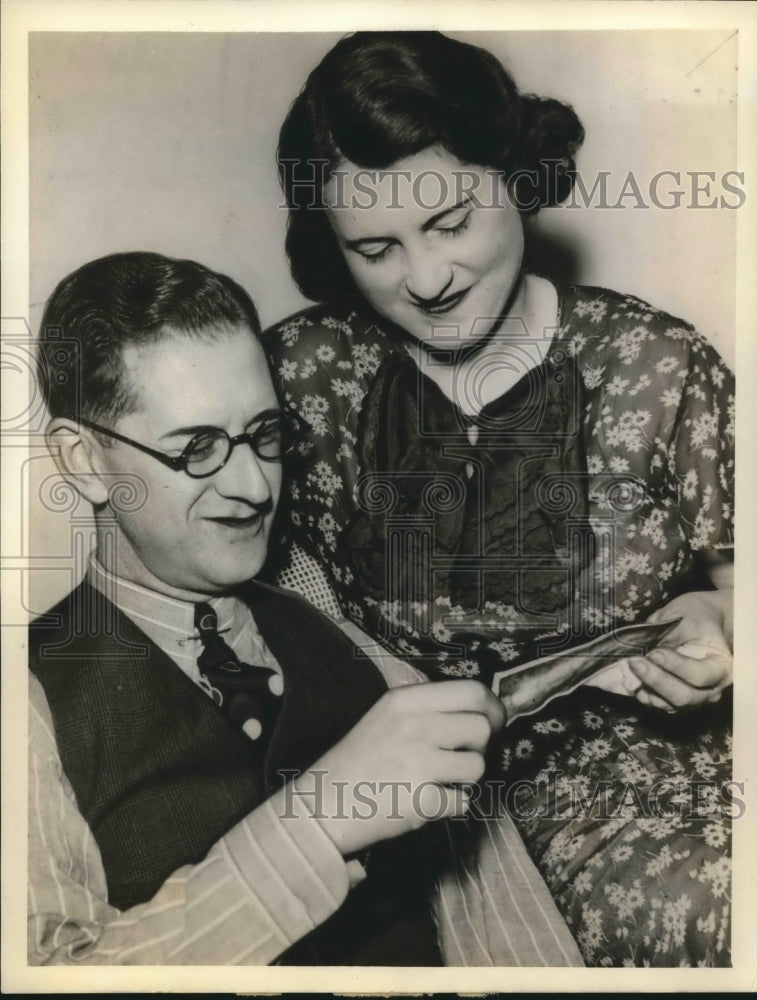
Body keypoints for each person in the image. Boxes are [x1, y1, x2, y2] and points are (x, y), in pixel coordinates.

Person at [263, 31, 735, 966]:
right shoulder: (306, 374)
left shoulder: (656, 363)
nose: (426, 280)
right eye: (375, 248)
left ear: (517, 177)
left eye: (449, 222)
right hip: (399, 787)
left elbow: (738, 587)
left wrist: (720, 619)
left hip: (643, 775)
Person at [28, 251, 584, 967]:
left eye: (264, 435)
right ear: (82, 461)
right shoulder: (30, 701)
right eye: (197, 448)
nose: (254, 487)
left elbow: (501, 924)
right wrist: (315, 821)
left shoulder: (337, 630)